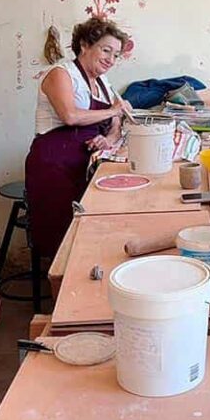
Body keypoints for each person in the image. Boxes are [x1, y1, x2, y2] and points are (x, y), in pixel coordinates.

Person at [25, 17, 132, 259]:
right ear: (85, 45)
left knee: (87, 230)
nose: (110, 59)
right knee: (60, 231)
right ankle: (59, 289)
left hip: (86, 161)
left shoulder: (103, 82)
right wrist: (114, 110)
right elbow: (70, 116)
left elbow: (115, 126)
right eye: (106, 50)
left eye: (116, 55)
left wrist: (108, 139)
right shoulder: (61, 74)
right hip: (55, 163)